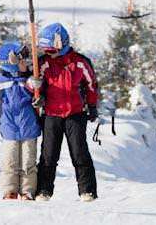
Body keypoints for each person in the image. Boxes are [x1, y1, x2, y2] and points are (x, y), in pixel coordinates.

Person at [35, 23, 98, 202]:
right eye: (46, 51)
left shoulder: (80, 62)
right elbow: (33, 85)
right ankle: (43, 190)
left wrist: (92, 106)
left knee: (79, 152)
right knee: (48, 154)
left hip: (75, 113)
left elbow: (91, 85)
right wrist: (35, 87)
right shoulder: (43, 63)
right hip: (51, 114)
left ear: (62, 45)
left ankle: (87, 190)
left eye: (51, 50)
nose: (48, 54)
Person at [0, 42, 41, 200]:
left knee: (28, 162)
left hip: (29, 126)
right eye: (21, 61)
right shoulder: (1, 81)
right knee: (10, 161)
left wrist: (40, 97)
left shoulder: (31, 79)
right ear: (11, 65)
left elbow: (41, 94)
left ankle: (28, 190)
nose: (25, 63)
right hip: (9, 127)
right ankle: (10, 190)